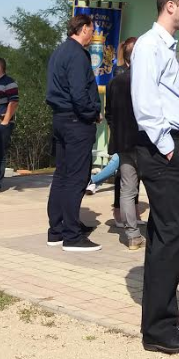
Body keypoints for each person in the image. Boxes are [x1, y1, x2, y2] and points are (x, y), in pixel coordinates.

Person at [131, 0, 179, 354]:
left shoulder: (166, 47)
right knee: (173, 234)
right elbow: (145, 103)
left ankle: (163, 322)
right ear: (170, 6)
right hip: (162, 148)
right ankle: (158, 329)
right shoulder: (148, 45)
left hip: (172, 145)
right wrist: (167, 146)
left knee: (164, 234)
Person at [45, 14, 103, 252]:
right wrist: (93, 113)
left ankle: (56, 231)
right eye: (92, 30)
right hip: (76, 121)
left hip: (60, 118)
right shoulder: (78, 55)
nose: (93, 35)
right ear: (84, 28)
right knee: (76, 178)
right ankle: (72, 236)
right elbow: (79, 93)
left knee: (62, 175)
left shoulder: (59, 51)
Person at [104, 36, 143, 249]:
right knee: (154, 187)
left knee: (127, 189)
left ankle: (132, 235)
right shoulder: (146, 80)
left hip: (123, 142)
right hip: (145, 142)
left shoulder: (113, 83)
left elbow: (109, 113)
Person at [0, 57, 19, 193]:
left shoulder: (9, 82)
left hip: (1, 123)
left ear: (0, 67)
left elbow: (14, 102)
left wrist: (5, 121)